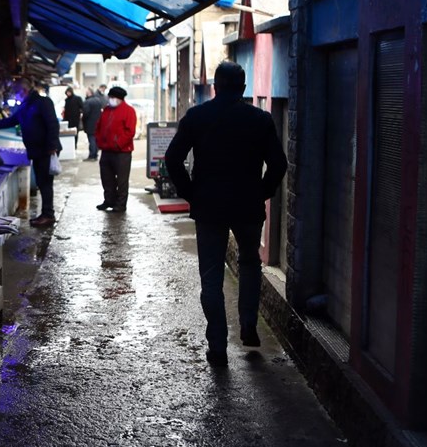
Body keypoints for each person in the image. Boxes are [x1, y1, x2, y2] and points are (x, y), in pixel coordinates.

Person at [164, 61, 287, 368]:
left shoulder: (197, 116)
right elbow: (279, 164)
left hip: (209, 208)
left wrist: (191, 194)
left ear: (215, 86)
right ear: (243, 89)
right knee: (249, 264)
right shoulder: (260, 119)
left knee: (211, 277)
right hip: (248, 206)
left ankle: (217, 345)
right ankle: (247, 324)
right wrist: (262, 192)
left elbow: (172, 159)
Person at [0, 77, 62, 227]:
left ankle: (48, 215)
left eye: (16, 92)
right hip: (37, 151)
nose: (15, 95)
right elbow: (9, 121)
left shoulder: (43, 102)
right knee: (42, 183)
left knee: (45, 183)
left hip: (46, 150)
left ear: (24, 91)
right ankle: (46, 214)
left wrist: (52, 147)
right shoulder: (26, 106)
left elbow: (53, 124)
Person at [94, 86, 137, 212]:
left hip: (122, 152)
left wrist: (118, 144)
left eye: (113, 97)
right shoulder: (106, 110)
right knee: (107, 178)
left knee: (122, 180)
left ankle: (121, 204)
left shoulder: (129, 111)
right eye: (110, 97)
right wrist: (99, 141)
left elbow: (130, 132)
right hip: (106, 151)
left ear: (119, 99)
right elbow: (99, 127)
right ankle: (109, 200)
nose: (110, 99)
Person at [81, 85, 107, 161]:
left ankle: (92, 155)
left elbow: (85, 113)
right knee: (95, 139)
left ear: (89, 93)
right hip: (97, 123)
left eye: (86, 92)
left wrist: (83, 119)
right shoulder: (98, 100)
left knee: (91, 140)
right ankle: (95, 154)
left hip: (89, 124)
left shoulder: (87, 102)